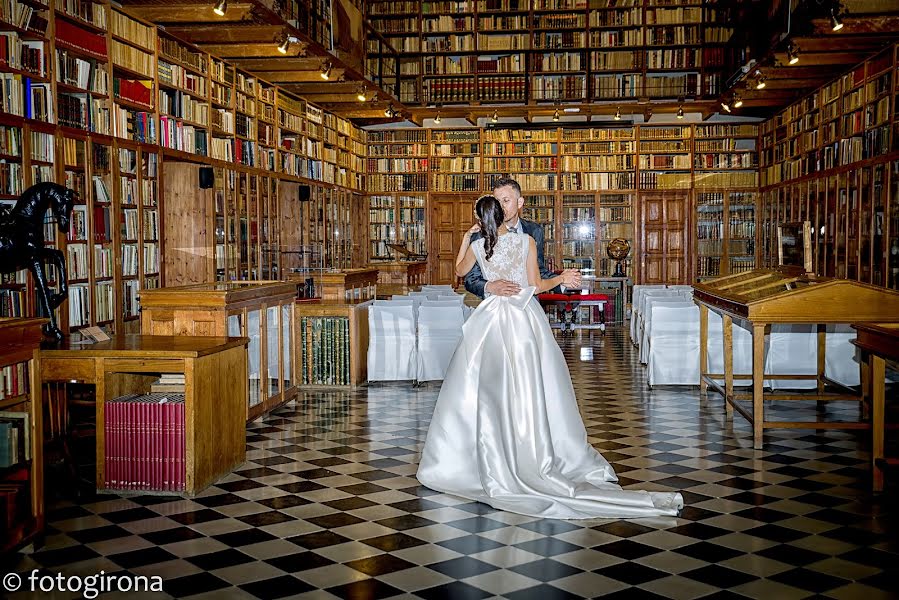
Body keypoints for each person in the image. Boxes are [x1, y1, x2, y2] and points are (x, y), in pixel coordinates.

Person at [417, 195, 683, 519]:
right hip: (521, 318)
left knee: (484, 387)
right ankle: (529, 447)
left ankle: (488, 452)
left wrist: (464, 238)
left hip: (490, 320)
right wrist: (562, 278)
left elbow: (459, 272)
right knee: (527, 383)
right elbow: (538, 285)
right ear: (503, 213)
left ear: (479, 218)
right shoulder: (525, 241)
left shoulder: (476, 246)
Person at [464, 177, 580, 298]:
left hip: (527, 305)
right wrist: (489, 286)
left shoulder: (534, 230)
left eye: (506, 200)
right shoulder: (480, 234)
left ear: (519, 203)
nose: (500, 207)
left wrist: (564, 279)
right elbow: (470, 278)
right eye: (497, 202)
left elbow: (538, 271)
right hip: (495, 307)